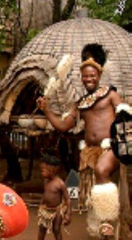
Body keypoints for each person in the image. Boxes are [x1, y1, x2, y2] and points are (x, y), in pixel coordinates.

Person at [37, 43, 126, 238]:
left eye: (92, 75)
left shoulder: (110, 94)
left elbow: (124, 113)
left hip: (111, 147)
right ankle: (98, 230)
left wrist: (123, 139)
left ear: (99, 75)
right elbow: (63, 125)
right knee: (91, 191)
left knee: (102, 170)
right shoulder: (81, 103)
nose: (89, 79)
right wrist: (46, 110)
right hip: (90, 152)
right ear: (81, 77)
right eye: (85, 76)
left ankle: (106, 221)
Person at [37, 153, 71, 240]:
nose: (41, 173)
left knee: (56, 229)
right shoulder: (46, 181)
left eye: (43, 171)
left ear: (51, 170)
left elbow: (68, 199)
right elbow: (45, 194)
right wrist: (41, 205)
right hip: (45, 210)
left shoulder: (60, 183)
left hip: (57, 210)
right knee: (41, 229)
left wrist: (68, 214)